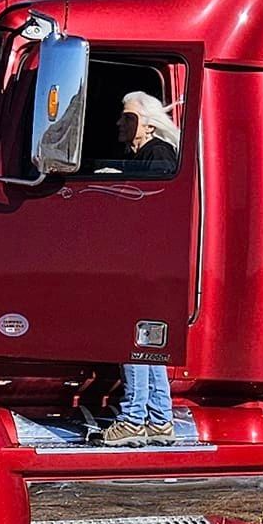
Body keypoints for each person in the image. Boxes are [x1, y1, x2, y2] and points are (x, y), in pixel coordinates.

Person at [98, 92, 183, 446]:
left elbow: (154, 193)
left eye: (127, 116)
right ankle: (161, 420)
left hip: (147, 265)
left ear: (147, 123)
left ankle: (133, 418)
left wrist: (117, 174)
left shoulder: (159, 153)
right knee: (147, 343)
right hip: (154, 264)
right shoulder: (142, 155)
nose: (120, 122)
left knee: (130, 338)